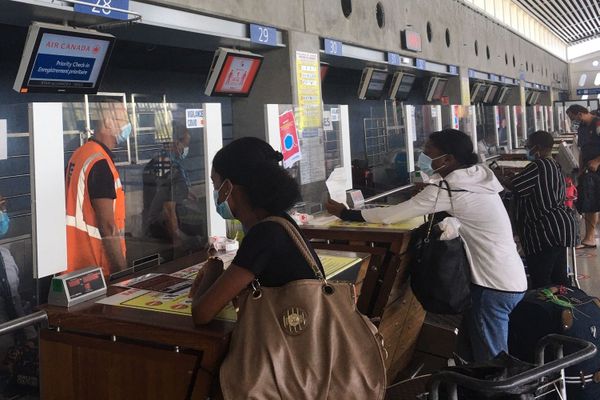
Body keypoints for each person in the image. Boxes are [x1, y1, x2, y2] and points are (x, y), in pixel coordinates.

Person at [326, 129, 527, 362]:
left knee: (493, 365)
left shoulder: (450, 188)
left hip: (492, 286)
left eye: (428, 153)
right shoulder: (476, 179)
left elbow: (392, 214)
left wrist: (346, 213)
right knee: (471, 355)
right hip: (507, 278)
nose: (424, 157)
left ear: (448, 159)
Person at [189, 137, 324, 324]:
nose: (214, 192)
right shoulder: (279, 222)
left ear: (227, 188)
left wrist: (213, 268)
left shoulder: (264, 234)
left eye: (215, 184)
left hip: (290, 348)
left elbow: (202, 313)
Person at [65, 102, 130, 277]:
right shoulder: (99, 163)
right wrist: (123, 274)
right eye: (124, 119)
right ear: (108, 122)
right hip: (95, 264)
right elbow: (108, 226)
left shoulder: (80, 153)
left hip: (76, 262)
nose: (128, 126)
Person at [510, 131, 576, 289]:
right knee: (559, 278)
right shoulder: (553, 164)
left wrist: (501, 178)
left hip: (545, 231)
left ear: (536, 148)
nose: (527, 150)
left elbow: (515, 186)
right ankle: (564, 310)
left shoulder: (538, 165)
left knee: (542, 281)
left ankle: (547, 311)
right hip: (559, 228)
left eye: (527, 146)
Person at [143, 124, 201, 253]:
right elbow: (168, 210)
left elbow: (166, 191)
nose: (186, 149)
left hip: (155, 228)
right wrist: (177, 240)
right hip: (163, 232)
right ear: (175, 143)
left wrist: (184, 192)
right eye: (185, 145)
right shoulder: (168, 167)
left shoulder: (160, 162)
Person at [566, 104, 600, 249]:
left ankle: (590, 238)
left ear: (579, 113)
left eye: (572, 117)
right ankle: (589, 237)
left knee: (592, 202)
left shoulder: (597, 123)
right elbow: (582, 150)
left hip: (596, 167)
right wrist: (580, 170)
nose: (572, 120)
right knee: (589, 201)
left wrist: (597, 161)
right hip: (587, 170)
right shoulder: (582, 128)